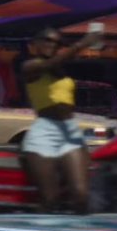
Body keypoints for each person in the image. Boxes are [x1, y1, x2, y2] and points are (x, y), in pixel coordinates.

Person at [19, 26, 102, 213]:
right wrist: (83, 44)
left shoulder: (60, 69)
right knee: (50, 199)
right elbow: (49, 64)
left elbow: (58, 63)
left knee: (81, 197)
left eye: (57, 42)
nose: (53, 45)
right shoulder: (30, 66)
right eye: (48, 40)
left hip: (69, 130)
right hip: (44, 131)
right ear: (35, 44)